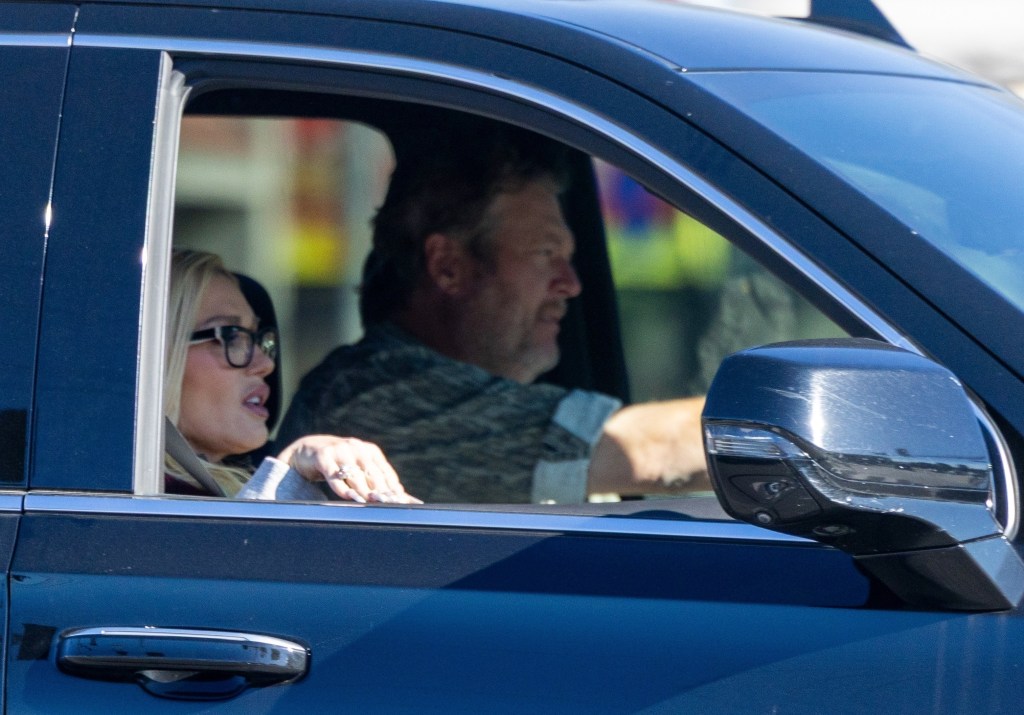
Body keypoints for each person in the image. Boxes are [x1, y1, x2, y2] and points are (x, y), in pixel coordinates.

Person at [276, 124, 709, 504]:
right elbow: (655, 450)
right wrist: (774, 418)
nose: (571, 284)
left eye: (568, 258)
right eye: (544, 254)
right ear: (448, 266)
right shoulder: (376, 396)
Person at [164, 249, 420, 504]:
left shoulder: (223, 487)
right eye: (231, 336)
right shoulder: (153, 503)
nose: (265, 364)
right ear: (158, 359)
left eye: (258, 338)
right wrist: (285, 473)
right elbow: (236, 546)